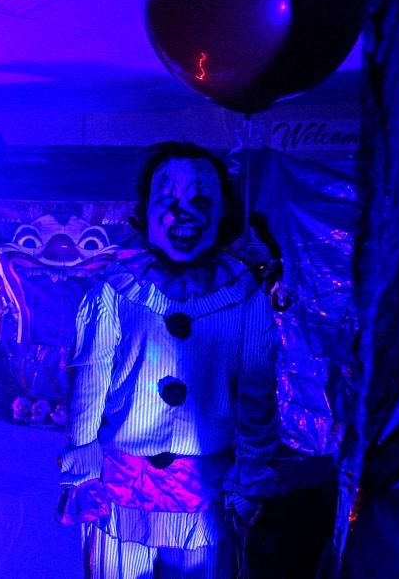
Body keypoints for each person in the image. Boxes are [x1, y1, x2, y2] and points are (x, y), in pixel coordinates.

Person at [56, 141, 280, 578]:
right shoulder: (116, 289)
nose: (183, 214)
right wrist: (81, 463)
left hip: (205, 484)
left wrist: (252, 471)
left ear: (222, 212)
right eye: (168, 200)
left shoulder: (246, 296)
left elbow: (256, 392)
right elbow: (90, 380)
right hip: (120, 476)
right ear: (146, 207)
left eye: (200, 200)